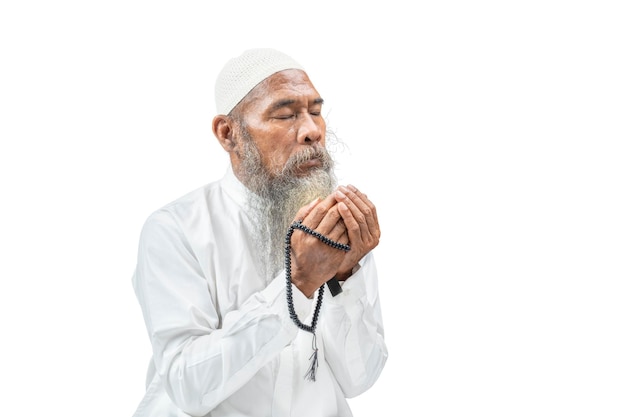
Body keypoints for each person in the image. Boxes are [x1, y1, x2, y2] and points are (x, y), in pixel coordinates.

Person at [131, 48, 388, 417]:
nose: (312, 131)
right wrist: (297, 283)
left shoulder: (335, 227)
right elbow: (188, 386)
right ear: (228, 133)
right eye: (285, 115)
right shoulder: (175, 230)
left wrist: (344, 278)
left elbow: (359, 378)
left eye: (315, 112)